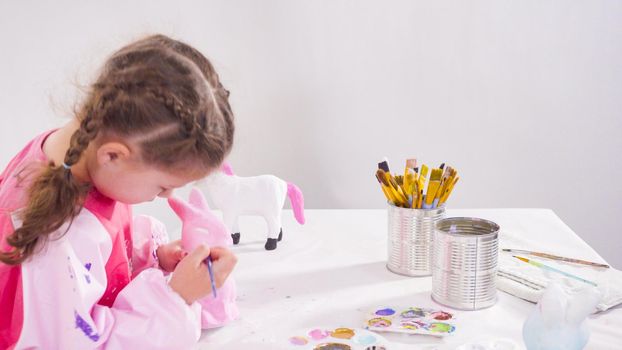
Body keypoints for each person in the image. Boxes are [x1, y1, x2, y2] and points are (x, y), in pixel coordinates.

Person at [0, 34, 237, 349]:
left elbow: (97, 251)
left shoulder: (74, 154)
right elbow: (83, 341)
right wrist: (175, 297)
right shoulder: (58, 235)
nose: (166, 196)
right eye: (163, 185)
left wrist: (151, 256)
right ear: (113, 156)